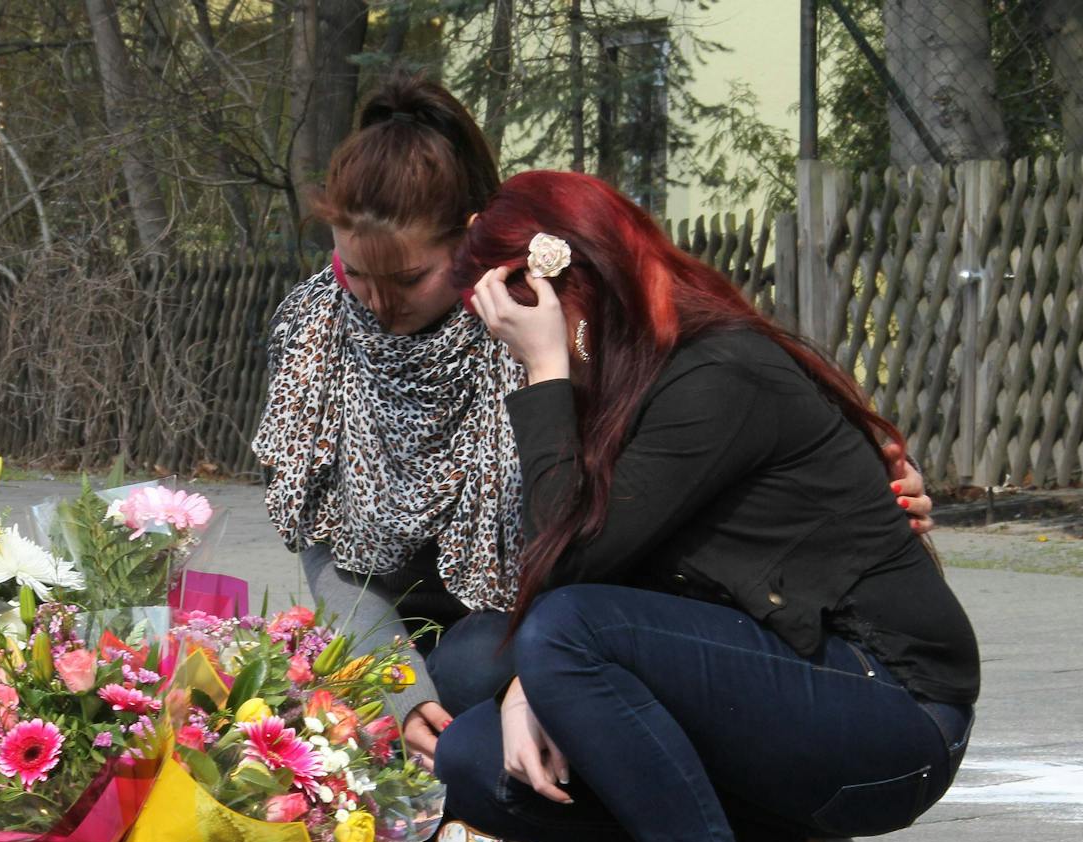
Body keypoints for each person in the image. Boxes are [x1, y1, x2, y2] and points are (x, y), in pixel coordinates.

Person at [250, 74, 935, 772]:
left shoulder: (535, 315)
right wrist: (390, 677)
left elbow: (666, 477)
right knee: (281, 700)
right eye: (355, 272)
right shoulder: (314, 328)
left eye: (408, 278)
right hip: (387, 625)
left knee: (468, 671)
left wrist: (853, 496)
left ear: (471, 238)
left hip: (542, 612)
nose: (377, 302)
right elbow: (325, 543)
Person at [432, 170, 980, 842]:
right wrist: (521, 684)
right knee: (473, 735)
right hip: (788, 683)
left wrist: (544, 371)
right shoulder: (633, 377)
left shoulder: (717, 371)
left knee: (562, 632)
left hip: (891, 712)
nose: (501, 342)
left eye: (506, 319)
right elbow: (590, 563)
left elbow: (571, 564)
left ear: (552, 286)